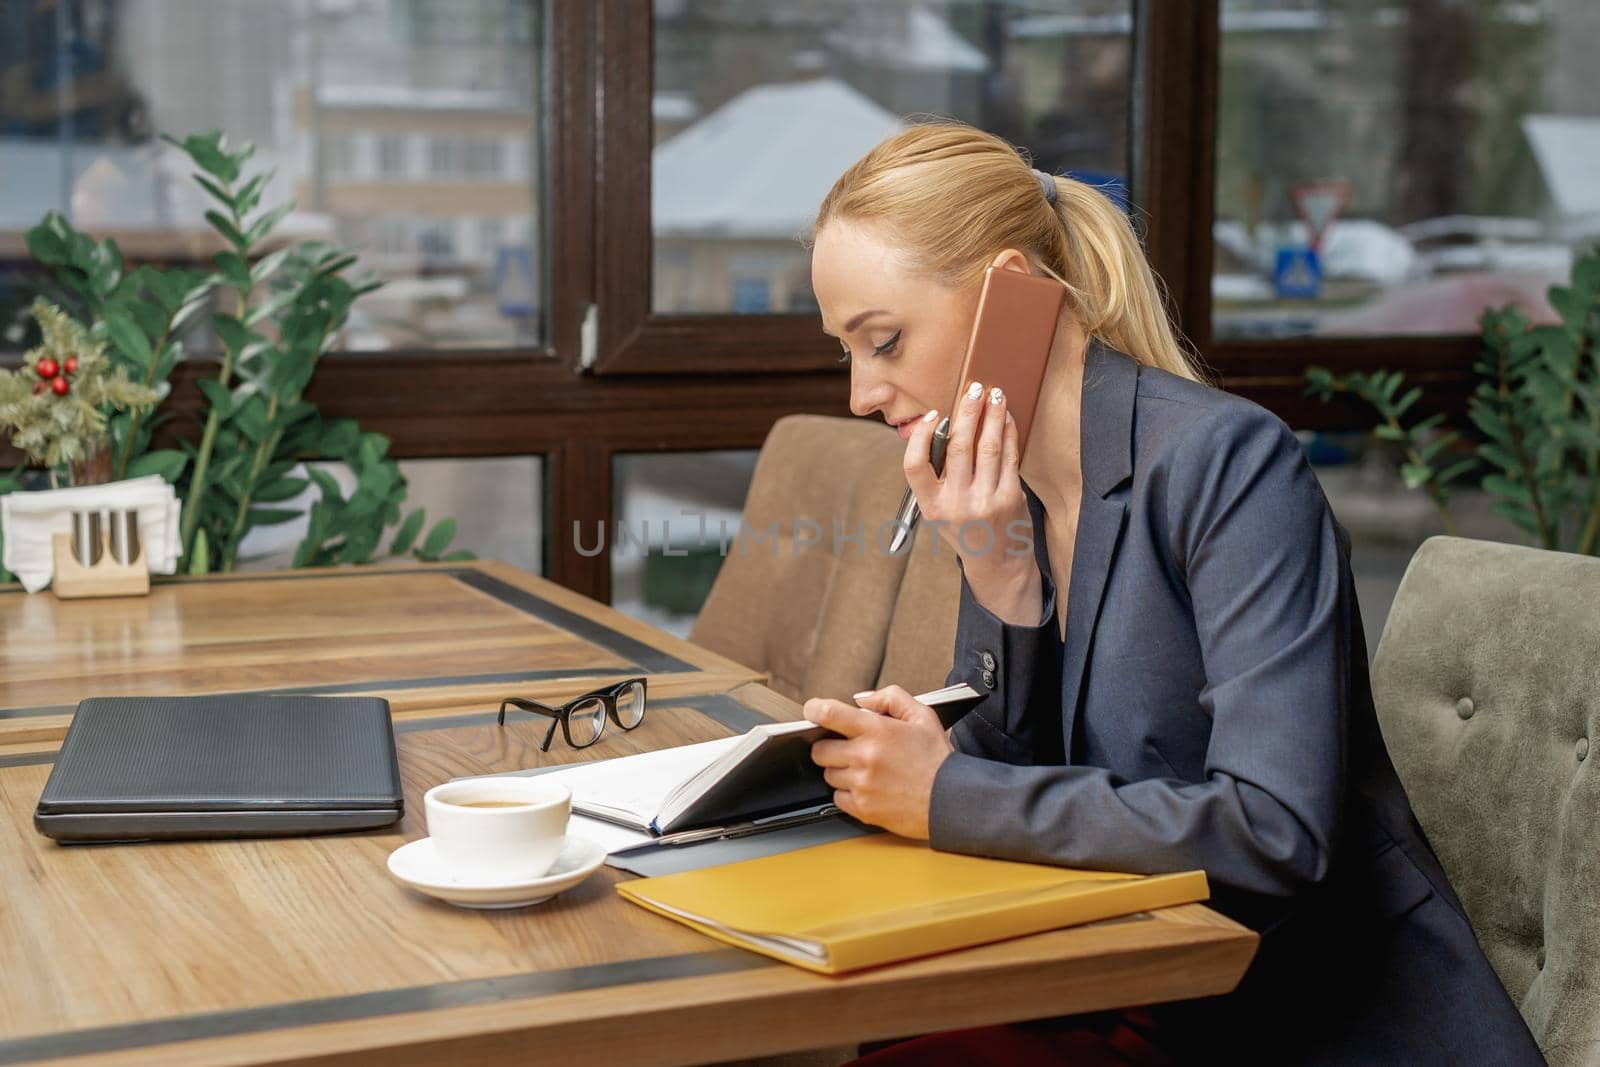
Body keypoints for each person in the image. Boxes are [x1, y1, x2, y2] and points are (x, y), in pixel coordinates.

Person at [800, 123, 1542, 1064]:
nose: (864, 393)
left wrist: (945, 788)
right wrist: (1004, 584)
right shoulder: (1003, 495)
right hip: (1132, 989)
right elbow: (1012, 779)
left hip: (1315, 1020)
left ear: (1010, 292)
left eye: (884, 341)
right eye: (848, 353)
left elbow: (1275, 834)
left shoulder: (1230, 467)